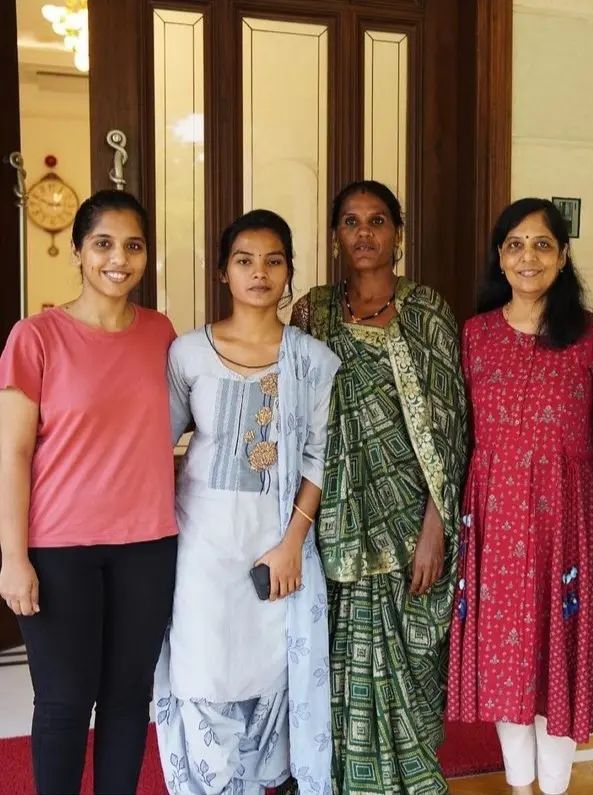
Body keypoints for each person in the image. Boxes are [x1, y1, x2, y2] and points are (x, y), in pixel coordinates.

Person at [446, 197, 593, 795]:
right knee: (508, 671)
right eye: (515, 245)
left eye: (542, 245)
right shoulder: (473, 336)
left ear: (563, 256)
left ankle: (553, 789)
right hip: (495, 524)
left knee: (560, 665)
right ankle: (519, 786)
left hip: (570, 527)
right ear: (499, 258)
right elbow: (457, 437)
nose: (528, 257)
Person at [153, 210, 340, 794]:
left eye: (273, 260)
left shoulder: (314, 361)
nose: (259, 272)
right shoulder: (187, 354)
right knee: (204, 674)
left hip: (277, 549)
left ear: (289, 274)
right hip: (201, 547)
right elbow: (156, 445)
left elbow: (317, 459)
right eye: (244, 260)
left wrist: (290, 546)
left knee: (270, 681)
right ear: (222, 272)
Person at [290, 180, 468, 794]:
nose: (363, 233)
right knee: (331, 666)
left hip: (409, 526)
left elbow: (450, 430)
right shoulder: (310, 313)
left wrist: (435, 530)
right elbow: (294, 422)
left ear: (398, 232)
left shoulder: (428, 313)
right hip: (331, 524)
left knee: (409, 672)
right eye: (350, 221)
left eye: (377, 221)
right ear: (335, 234)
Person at [0, 190, 179, 794]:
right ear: (77, 252)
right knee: (64, 704)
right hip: (60, 550)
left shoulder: (161, 334)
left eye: (132, 246)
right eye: (103, 244)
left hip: (149, 546)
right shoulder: (36, 336)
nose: (118, 259)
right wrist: (13, 558)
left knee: (129, 703)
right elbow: (13, 454)